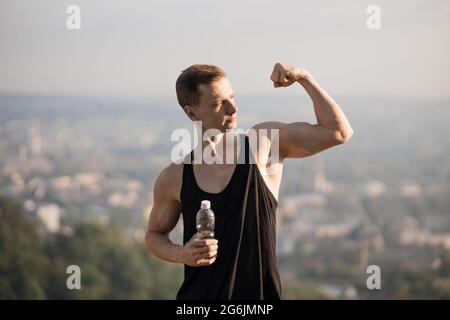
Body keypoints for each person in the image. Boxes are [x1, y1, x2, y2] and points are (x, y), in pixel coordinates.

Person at [145, 63, 353, 299]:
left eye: (232, 97)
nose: (232, 108)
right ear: (192, 113)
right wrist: (181, 254)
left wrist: (305, 77)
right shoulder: (174, 176)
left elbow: (339, 133)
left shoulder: (262, 144)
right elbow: (154, 235)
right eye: (218, 103)